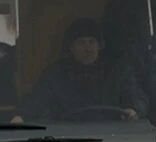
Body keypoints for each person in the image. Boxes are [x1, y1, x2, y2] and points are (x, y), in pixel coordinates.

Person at [11, 18, 148, 123]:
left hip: (114, 138)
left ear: (99, 46)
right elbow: (36, 99)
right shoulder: (56, 74)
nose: (87, 48)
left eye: (91, 42)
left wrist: (134, 109)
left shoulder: (119, 71)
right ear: (71, 48)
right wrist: (21, 116)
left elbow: (136, 95)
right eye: (81, 43)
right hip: (67, 139)